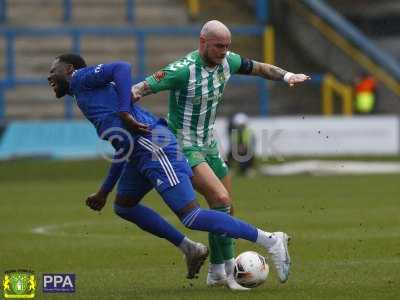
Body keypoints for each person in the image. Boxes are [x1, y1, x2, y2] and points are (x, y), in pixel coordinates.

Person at [47, 53, 291, 287]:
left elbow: (121, 67)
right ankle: (190, 248)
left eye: (53, 70)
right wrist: (104, 191)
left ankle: (270, 240)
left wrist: (123, 110)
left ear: (69, 69)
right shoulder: (83, 96)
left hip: (155, 147)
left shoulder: (80, 77)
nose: (49, 76)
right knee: (124, 205)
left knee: (192, 216)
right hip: (138, 152)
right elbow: (122, 146)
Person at [132, 20, 309, 289]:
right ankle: (256, 252)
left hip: (209, 144)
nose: (224, 51)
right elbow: (140, 88)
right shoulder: (182, 70)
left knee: (226, 208)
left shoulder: (228, 61)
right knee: (219, 197)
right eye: (219, 46)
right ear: (203, 42)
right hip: (183, 146)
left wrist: (287, 76)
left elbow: (260, 68)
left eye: (227, 46)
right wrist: (120, 110)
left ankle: (217, 272)